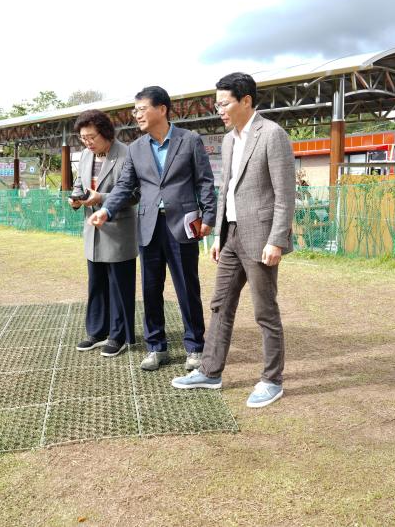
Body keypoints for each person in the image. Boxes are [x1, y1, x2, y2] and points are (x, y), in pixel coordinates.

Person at [171, 72, 296, 409]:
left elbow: (285, 195)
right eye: (217, 104)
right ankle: (210, 372)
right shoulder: (229, 140)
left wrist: (277, 240)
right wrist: (218, 234)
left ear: (246, 101)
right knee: (219, 305)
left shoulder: (272, 135)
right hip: (231, 236)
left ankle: (272, 380)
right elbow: (225, 189)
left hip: (261, 237)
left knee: (264, 312)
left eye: (224, 103)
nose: (219, 110)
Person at [91, 86, 216, 371]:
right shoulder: (136, 148)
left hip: (182, 225)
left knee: (188, 288)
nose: (137, 115)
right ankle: (155, 347)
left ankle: (195, 347)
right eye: (134, 110)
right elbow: (125, 186)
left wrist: (209, 216)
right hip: (148, 226)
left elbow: (205, 182)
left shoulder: (190, 140)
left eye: (141, 109)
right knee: (150, 289)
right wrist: (106, 209)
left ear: (162, 109)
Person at [70, 110, 140, 358]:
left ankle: (118, 335)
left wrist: (102, 198)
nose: (87, 142)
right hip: (93, 230)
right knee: (96, 284)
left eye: (91, 137)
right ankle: (96, 332)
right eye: (83, 138)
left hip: (118, 230)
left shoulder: (127, 153)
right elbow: (80, 185)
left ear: (106, 132)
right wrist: (76, 198)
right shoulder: (85, 156)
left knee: (119, 286)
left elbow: (134, 194)